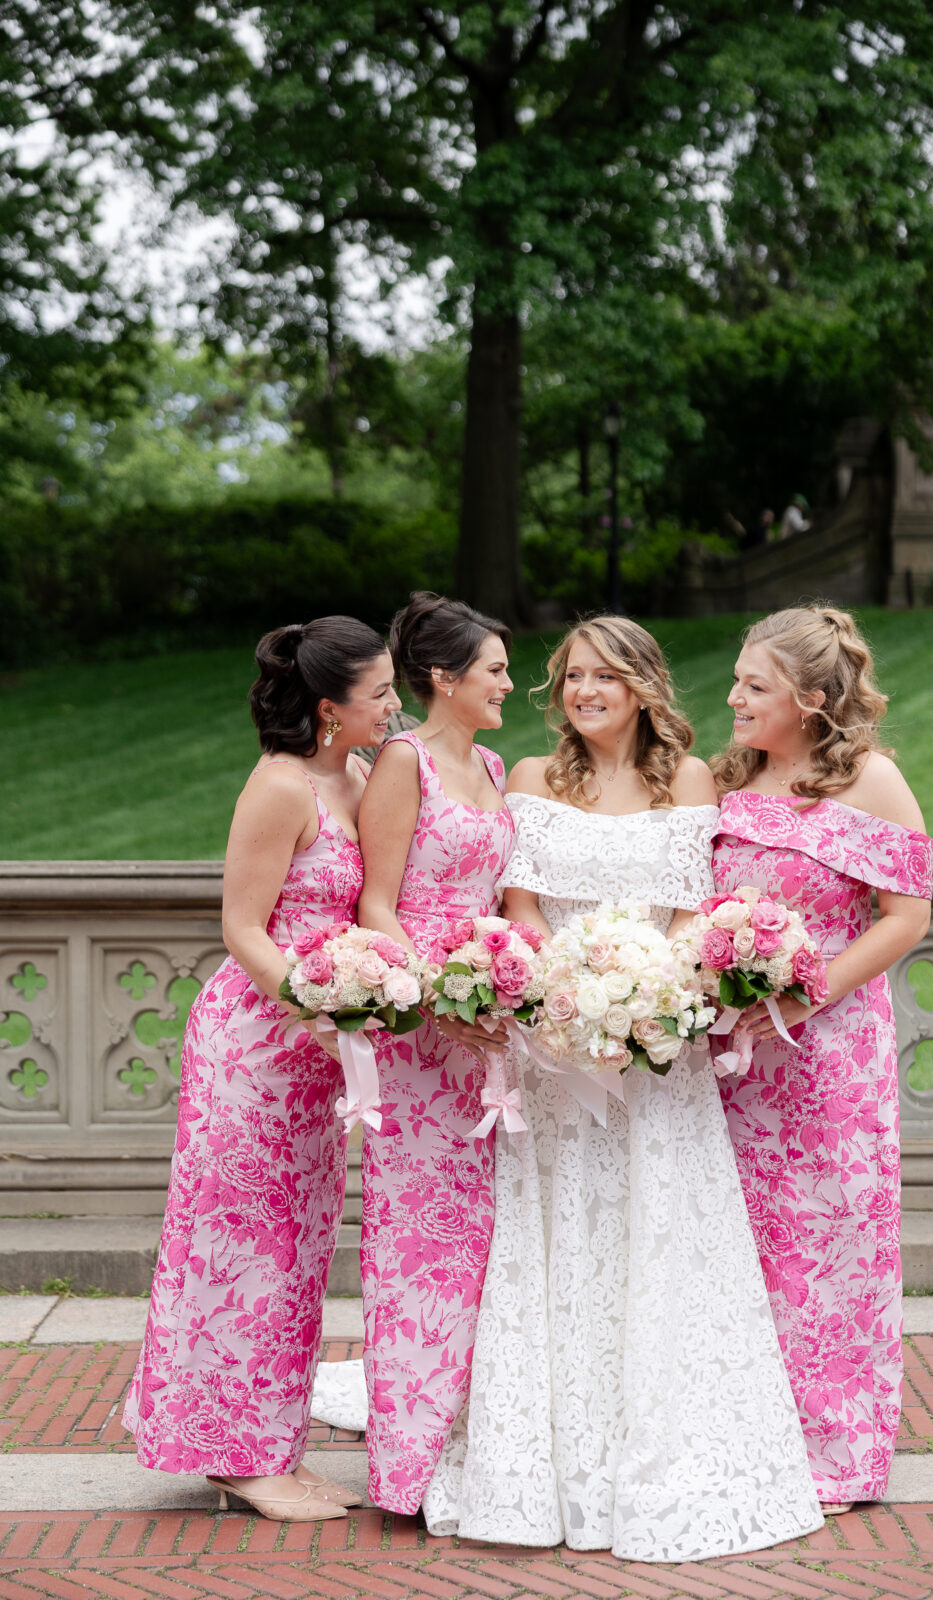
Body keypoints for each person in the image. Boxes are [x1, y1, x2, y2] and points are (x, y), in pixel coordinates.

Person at [423, 616, 824, 1562]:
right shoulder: (528, 777)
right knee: (556, 1241)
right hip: (550, 1054)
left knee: (659, 1240)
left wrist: (642, 1005)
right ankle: (542, 1468)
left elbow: (689, 920)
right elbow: (516, 915)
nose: (582, 692)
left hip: (656, 1057)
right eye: (569, 677)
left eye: (604, 676)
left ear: (643, 686)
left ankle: (669, 1456)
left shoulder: (683, 782)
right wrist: (563, 1008)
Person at [123, 616, 401, 1521]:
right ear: (329, 708)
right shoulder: (281, 788)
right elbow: (242, 927)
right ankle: (237, 1456)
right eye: (381, 693)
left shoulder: (354, 776)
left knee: (299, 1247)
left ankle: (268, 1444)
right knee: (242, 1245)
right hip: (255, 1046)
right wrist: (315, 1009)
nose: (394, 704)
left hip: (319, 1055)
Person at [711, 604, 932, 1514]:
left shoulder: (872, 781)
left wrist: (810, 991)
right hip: (733, 1066)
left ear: (807, 699)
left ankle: (838, 1452)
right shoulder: (729, 782)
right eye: (735, 679)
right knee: (744, 1245)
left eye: (752, 686)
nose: (731, 696)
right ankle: (747, 1432)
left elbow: (907, 915)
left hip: (830, 1059)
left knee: (828, 1244)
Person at [311, 592, 516, 1516]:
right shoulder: (403, 763)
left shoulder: (497, 764)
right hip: (424, 1037)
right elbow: (378, 905)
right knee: (418, 1246)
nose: (511, 683)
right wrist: (439, 997)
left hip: (491, 1032)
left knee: (489, 1245)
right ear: (444, 678)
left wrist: (508, 984)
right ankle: (410, 1467)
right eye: (496, 670)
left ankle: (481, 1440)